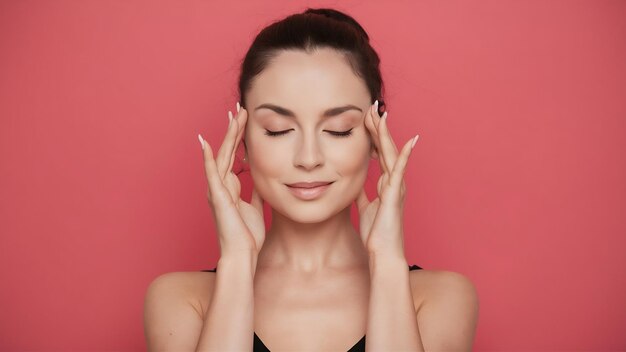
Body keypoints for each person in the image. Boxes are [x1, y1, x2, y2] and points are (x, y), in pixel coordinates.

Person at [144, 7, 479, 351]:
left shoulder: (440, 298)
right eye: (278, 131)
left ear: (376, 139)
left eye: (338, 130)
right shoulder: (182, 300)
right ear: (243, 140)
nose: (308, 158)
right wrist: (237, 265)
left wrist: (387, 261)